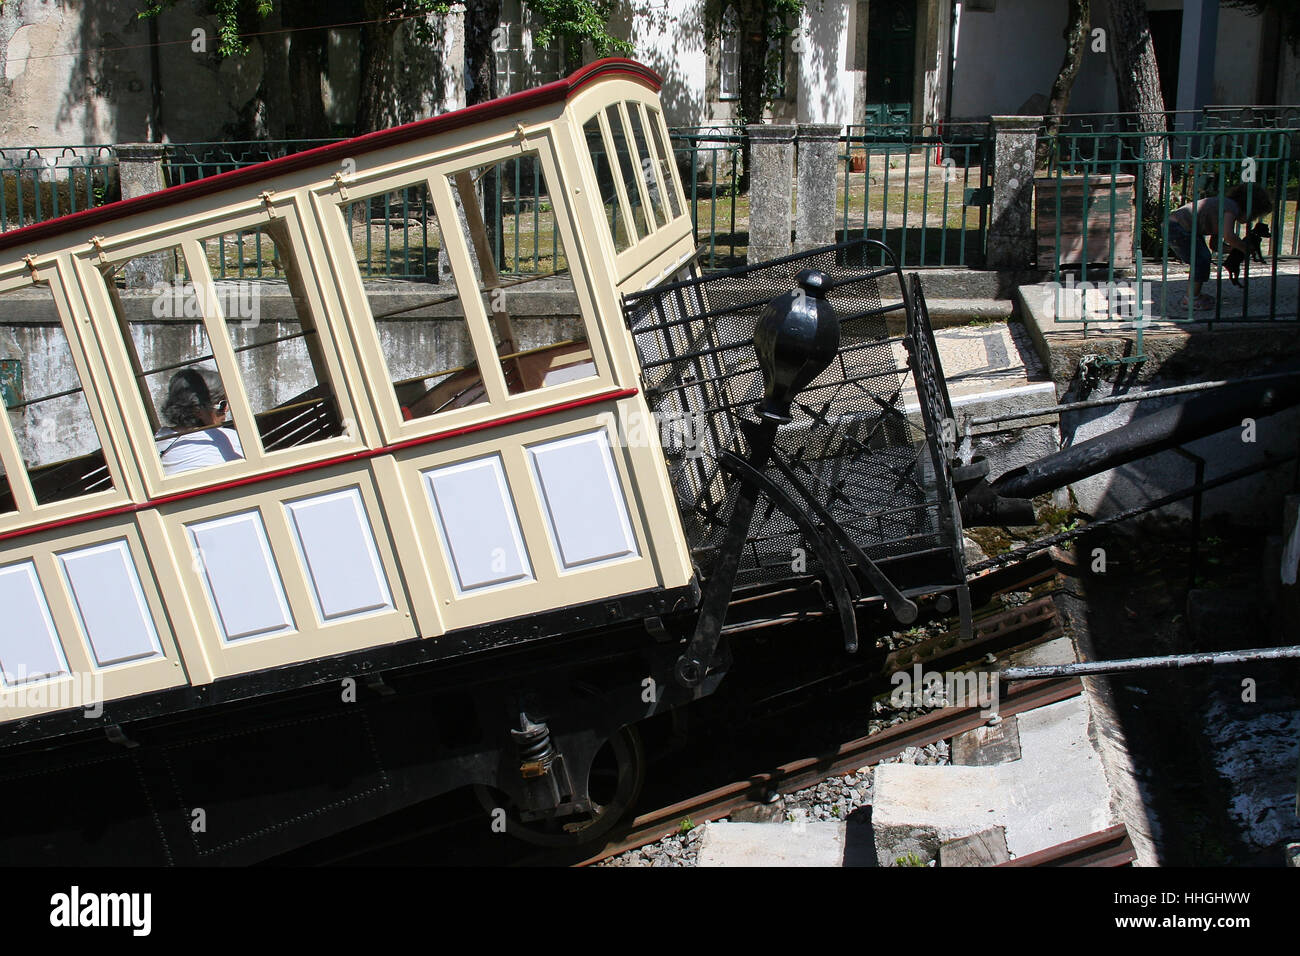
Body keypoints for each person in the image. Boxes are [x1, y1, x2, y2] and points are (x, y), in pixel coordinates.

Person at [1166, 182, 1273, 311]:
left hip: (1179, 227)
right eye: (1254, 216)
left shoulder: (1222, 208)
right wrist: (1245, 248)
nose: (1252, 220)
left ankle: (1194, 295)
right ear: (1249, 207)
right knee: (1201, 260)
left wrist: (1234, 249)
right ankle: (1190, 299)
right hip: (1178, 227)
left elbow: (1215, 245)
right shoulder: (1231, 207)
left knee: (1201, 259)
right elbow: (1229, 236)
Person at [155, 368, 244, 475]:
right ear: (198, 409)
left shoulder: (159, 438)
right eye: (222, 404)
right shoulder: (230, 438)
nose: (227, 409)